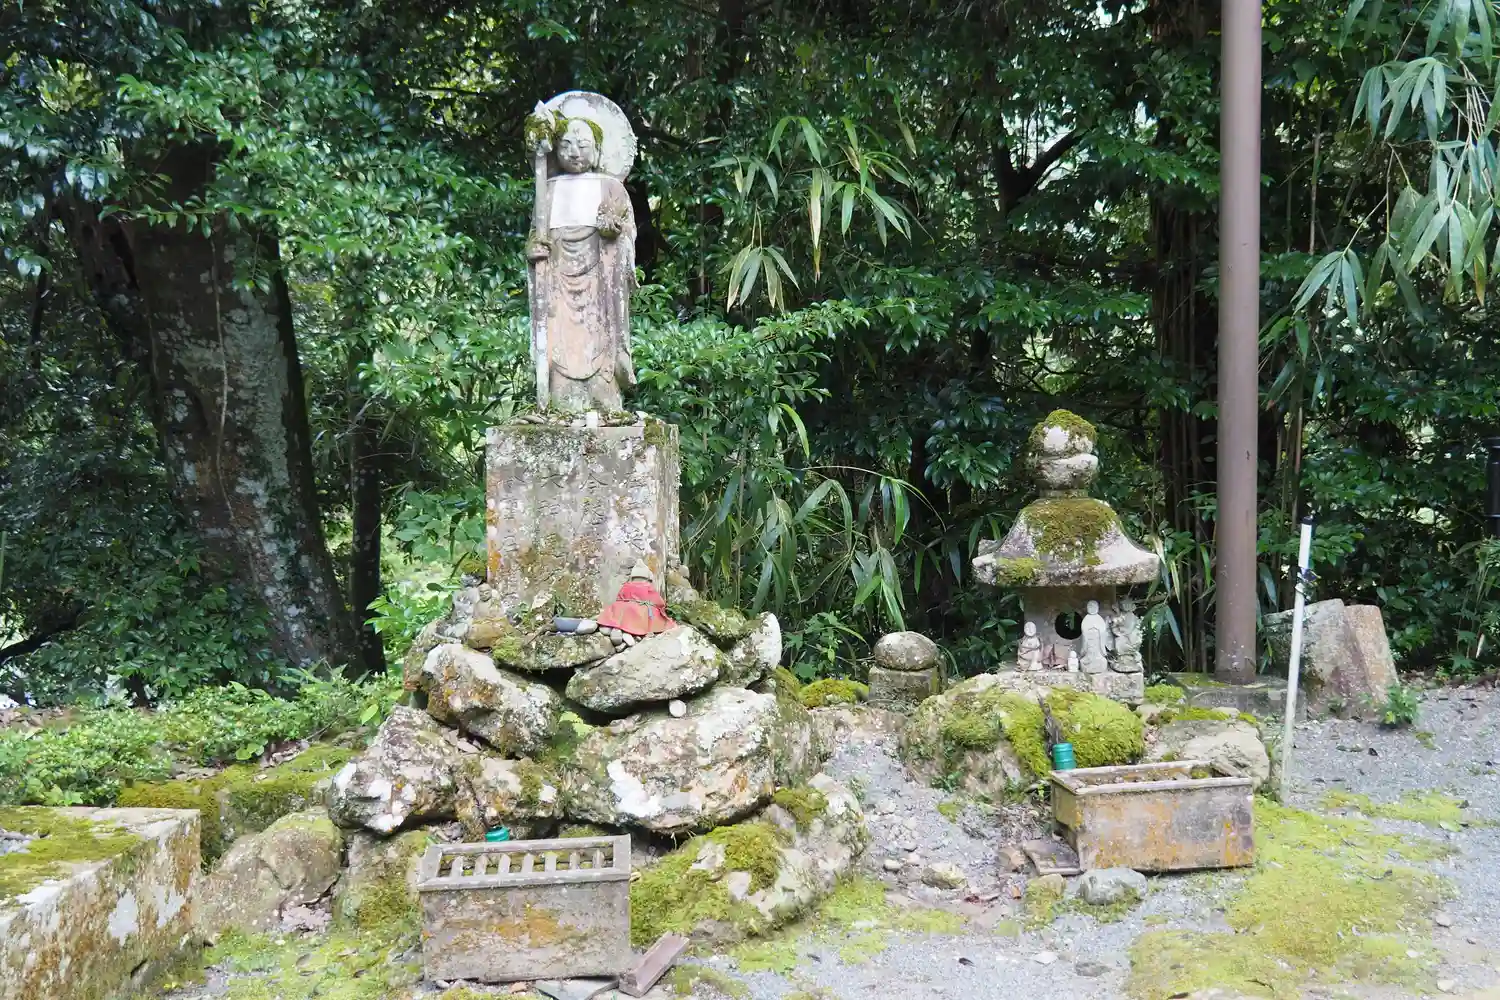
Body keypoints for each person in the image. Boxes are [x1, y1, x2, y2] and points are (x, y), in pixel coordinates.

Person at [528, 116, 636, 412]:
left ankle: (604, 390)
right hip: (558, 285)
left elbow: (627, 232)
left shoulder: (611, 188)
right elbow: (536, 235)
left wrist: (614, 232)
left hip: (600, 285)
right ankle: (560, 395)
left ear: (598, 150)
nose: (574, 152)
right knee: (559, 341)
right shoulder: (547, 189)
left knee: (602, 342)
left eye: (583, 145)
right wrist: (534, 250)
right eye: (566, 145)